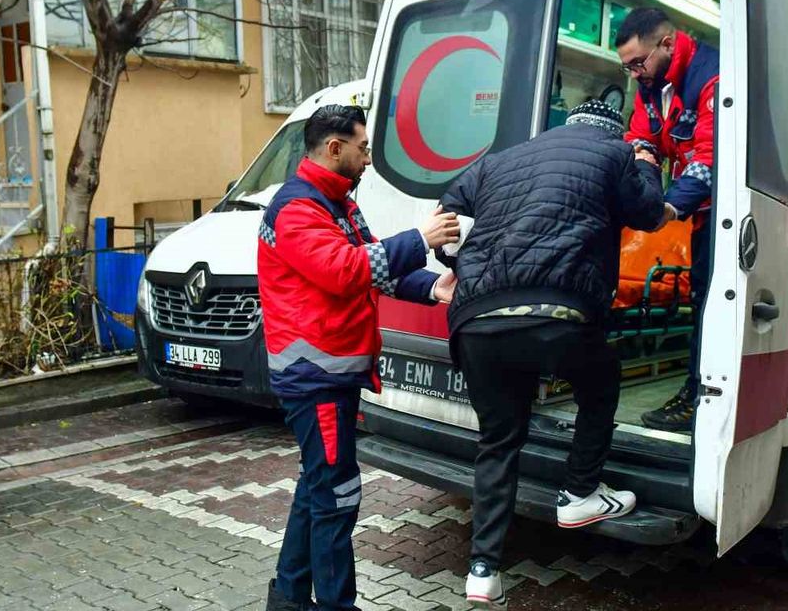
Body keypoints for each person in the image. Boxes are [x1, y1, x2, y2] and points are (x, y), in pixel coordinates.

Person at [437, 100, 671, 608]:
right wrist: (648, 166)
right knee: (601, 382)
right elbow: (650, 214)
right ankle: (580, 493)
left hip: (477, 320)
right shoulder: (616, 153)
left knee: (499, 439)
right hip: (555, 313)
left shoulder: (503, 158)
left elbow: (445, 213)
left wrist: (454, 264)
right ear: (612, 131)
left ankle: (482, 570)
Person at [258, 105, 460, 611]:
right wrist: (420, 240)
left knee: (317, 489)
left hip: (329, 377)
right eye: (363, 148)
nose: (368, 158)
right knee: (336, 497)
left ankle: (288, 598)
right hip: (315, 381)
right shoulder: (298, 209)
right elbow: (343, 270)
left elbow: (374, 266)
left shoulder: (337, 205)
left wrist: (433, 286)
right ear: (334, 148)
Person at [616, 7, 720, 433]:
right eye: (626, 67)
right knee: (701, 300)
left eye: (638, 63)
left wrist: (669, 208)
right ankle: (696, 391)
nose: (633, 74)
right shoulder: (650, 87)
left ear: (668, 44)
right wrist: (638, 166)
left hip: (723, 215)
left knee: (712, 304)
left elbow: (710, 156)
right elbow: (640, 137)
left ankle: (699, 396)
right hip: (700, 215)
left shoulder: (712, 78)